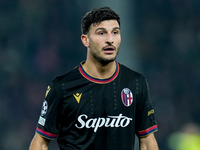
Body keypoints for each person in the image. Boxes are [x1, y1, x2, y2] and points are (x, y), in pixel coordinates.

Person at [29, 6, 158, 150]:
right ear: (86, 40)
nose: (110, 40)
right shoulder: (61, 87)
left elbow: (147, 141)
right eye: (101, 33)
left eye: (115, 32)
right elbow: (40, 142)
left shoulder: (136, 83)